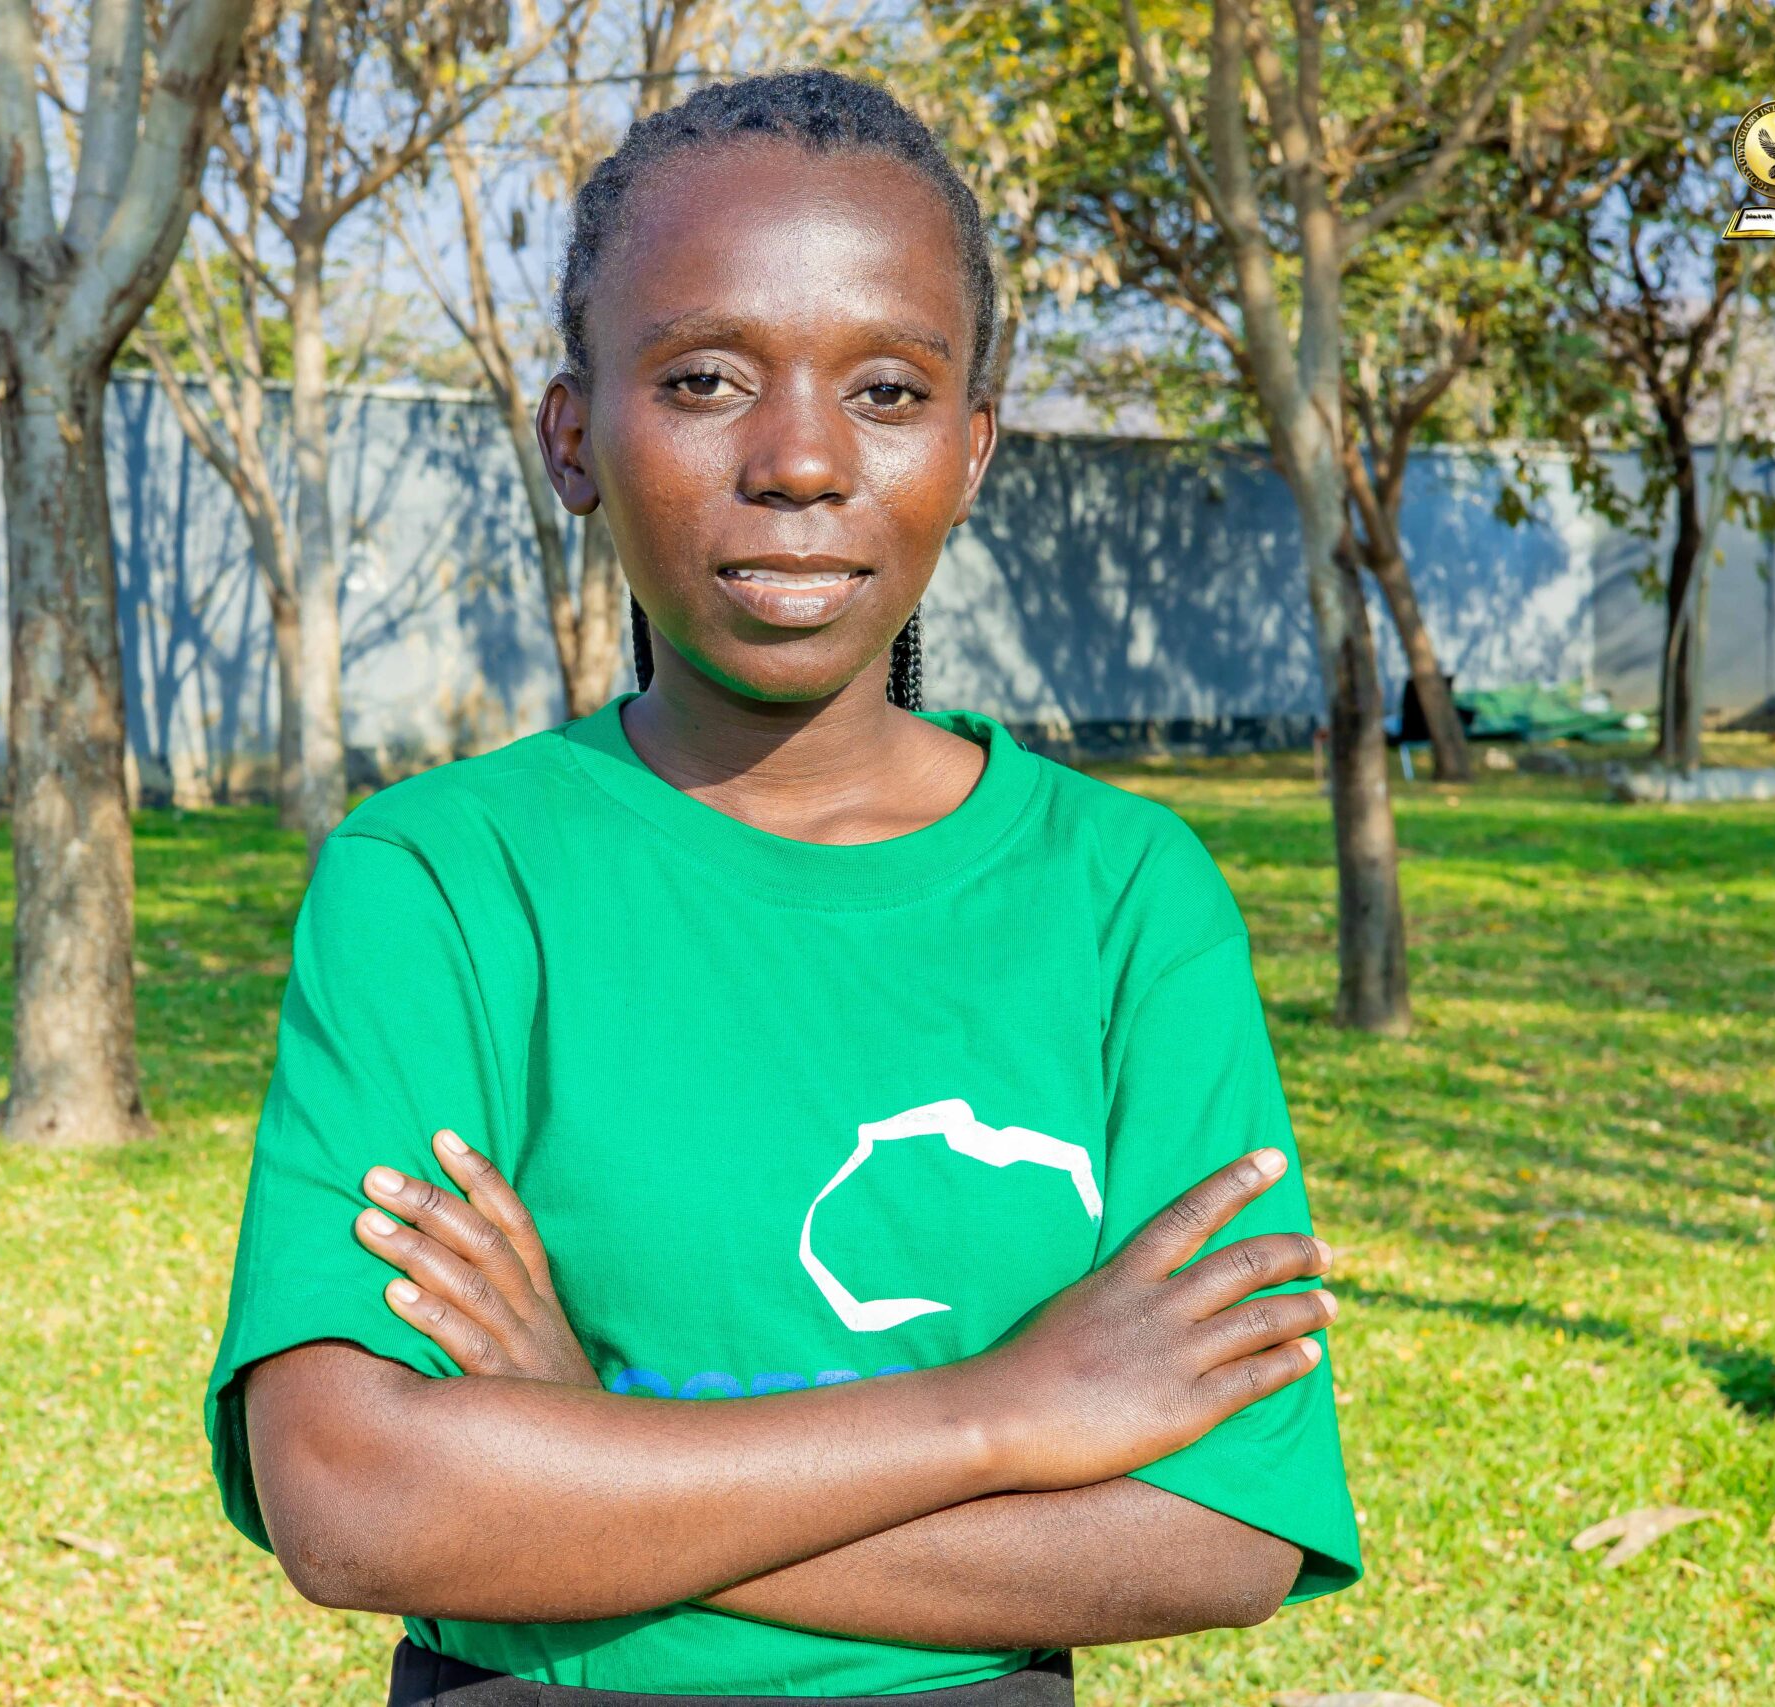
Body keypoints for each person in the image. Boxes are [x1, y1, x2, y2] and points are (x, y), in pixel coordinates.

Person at [204, 69, 1360, 1705]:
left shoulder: (1123, 899)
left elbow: (1219, 1536)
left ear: (970, 450)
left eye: (887, 390)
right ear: (575, 439)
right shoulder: (443, 880)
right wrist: (1001, 1418)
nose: (803, 461)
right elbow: (355, 1500)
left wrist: (585, 1458)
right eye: (705, 380)